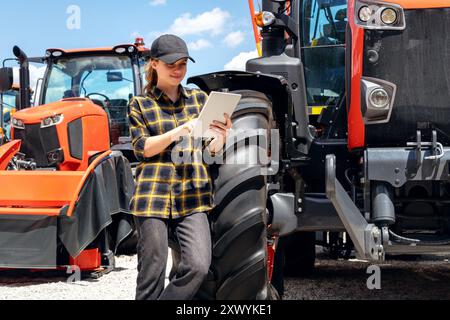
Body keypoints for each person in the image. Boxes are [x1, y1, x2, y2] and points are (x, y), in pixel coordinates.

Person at [128, 34, 232, 300]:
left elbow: (211, 150)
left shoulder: (199, 100)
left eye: (183, 64)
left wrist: (222, 136)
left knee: (198, 265)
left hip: (193, 195)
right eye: (172, 64)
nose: (178, 70)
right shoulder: (139, 104)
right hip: (152, 197)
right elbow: (142, 148)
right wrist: (178, 132)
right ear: (154, 64)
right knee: (152, 270)